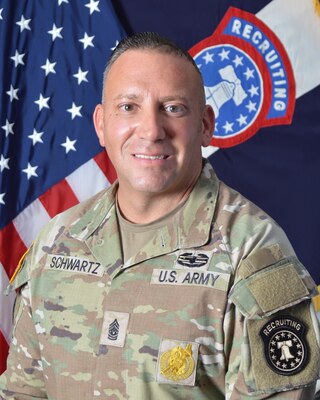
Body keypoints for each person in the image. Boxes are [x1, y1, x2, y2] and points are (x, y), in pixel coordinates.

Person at [0, 32, 319, 399]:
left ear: (205, 125)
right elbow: (23, 392)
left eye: (173, 108)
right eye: (128, 107)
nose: (151, 130)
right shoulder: (57, 242)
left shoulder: (253, 252)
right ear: (101, 124)